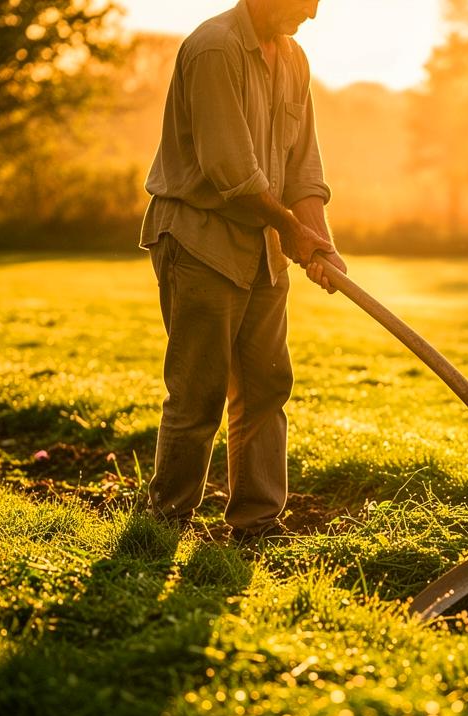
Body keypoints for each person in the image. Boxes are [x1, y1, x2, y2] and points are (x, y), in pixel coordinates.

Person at [139, 0, 345, 540]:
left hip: (263, 248)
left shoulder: (294, 59)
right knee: (199, 390)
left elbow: (303, 170)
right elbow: (230, 170)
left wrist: (319, 242)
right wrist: (291, 230)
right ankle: (165, 523)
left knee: (266, 385)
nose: (313, 14)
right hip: (200, 238)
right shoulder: (215, 49)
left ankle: (257, 522)